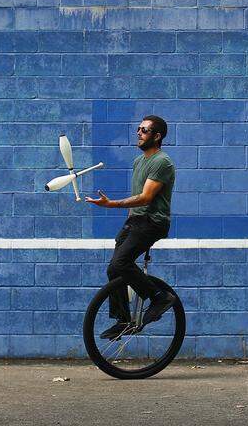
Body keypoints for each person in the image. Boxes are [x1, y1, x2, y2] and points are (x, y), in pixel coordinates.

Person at [84, 115, 176, 339]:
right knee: (114, 269)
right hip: (135, 221)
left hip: (153, 222)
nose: (139, 133)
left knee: (121, 262)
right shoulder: (139, 162)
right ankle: (123, 321)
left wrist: (111, 204)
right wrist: (128, 221)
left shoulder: (162, 162)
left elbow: (145, 198)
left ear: (157, 136)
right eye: (138, 129)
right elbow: (138, 201)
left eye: (144, 130)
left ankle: (159, 297)